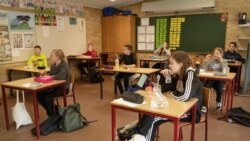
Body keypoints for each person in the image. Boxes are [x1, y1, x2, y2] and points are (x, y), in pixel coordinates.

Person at [132, 51, 203, 141]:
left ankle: (139, 135)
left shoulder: (190, 74)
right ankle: (139, 135)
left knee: (153, 118)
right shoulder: (178, 75)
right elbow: (161, 90)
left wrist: (171, 94)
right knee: (150, 112)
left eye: (172, 63)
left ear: (180, 65)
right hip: (178, 106)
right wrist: (164, 76)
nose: (169, 66)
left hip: (190, 113)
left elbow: (185, 96)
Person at [37, 49, 70, 116]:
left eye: (52, 55)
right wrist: (45, 75)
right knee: (38, 94)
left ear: (57, 57)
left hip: (63, 88)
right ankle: (55, 110)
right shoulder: (53, 65)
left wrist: (49, 77)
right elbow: (52, 74)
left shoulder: (64, 65)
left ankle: (52, 114)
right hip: (54, 87)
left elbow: (61, 77)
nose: (50, 57)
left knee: (47, 98)